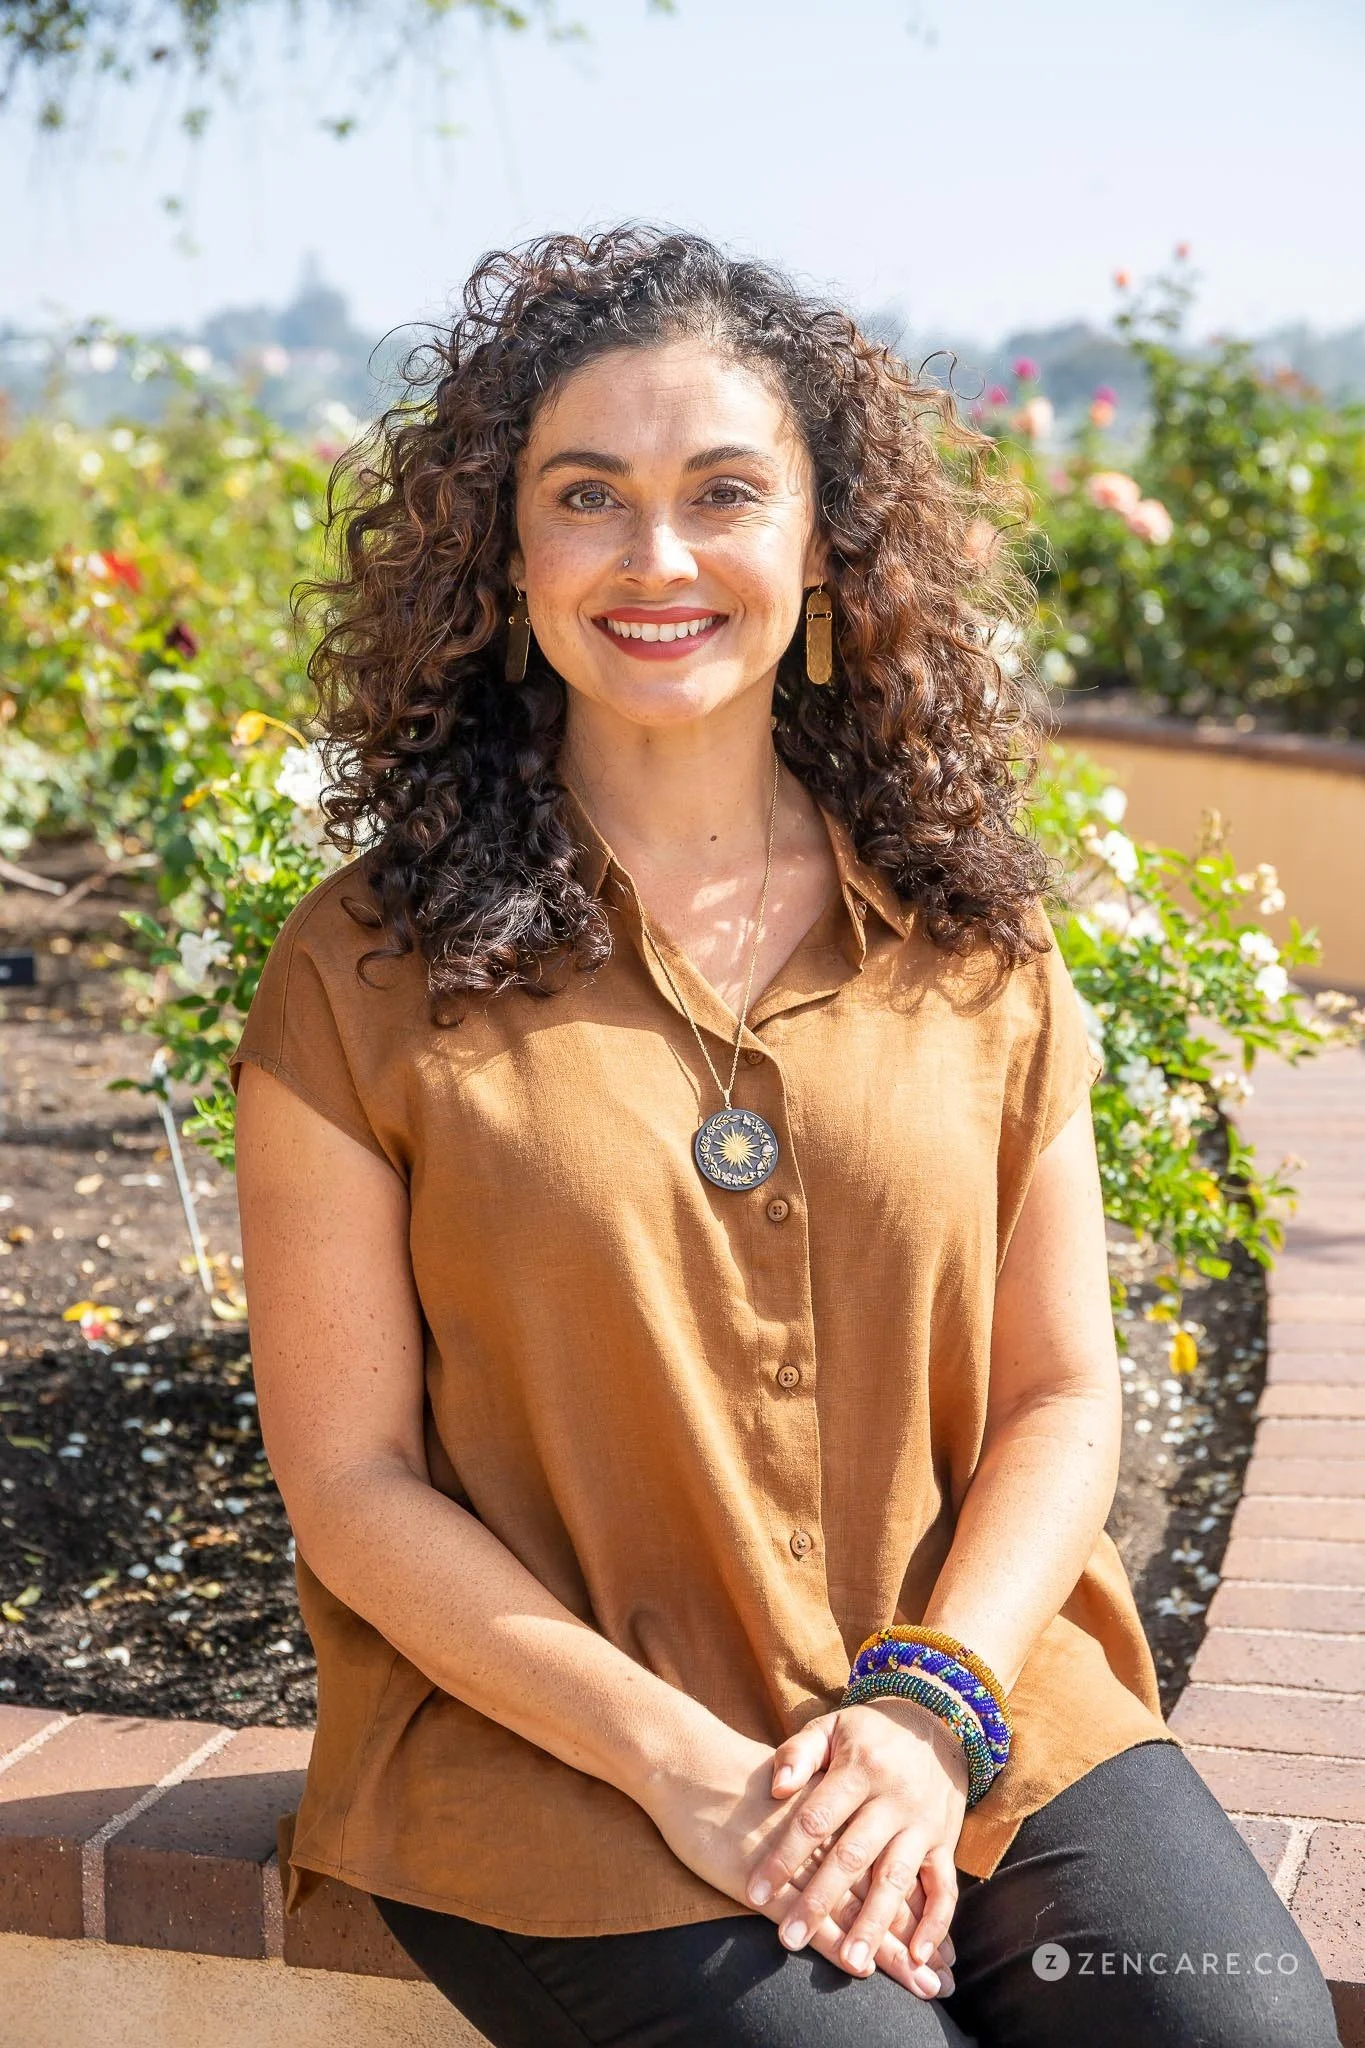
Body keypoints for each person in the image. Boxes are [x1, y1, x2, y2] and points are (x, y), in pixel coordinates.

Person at [229, 226, 1340, 2047]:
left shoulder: (975, 932)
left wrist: (921, 1716)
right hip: (564, 1760)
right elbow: (352, 1486)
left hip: (971, 1704)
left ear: (822, 556)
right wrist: (689, 1775)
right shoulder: (361, 967)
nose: (657, 557)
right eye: (588, 495)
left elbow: (1065, 1397)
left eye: (723, 494)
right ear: (507, 562)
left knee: (1243, 2030)